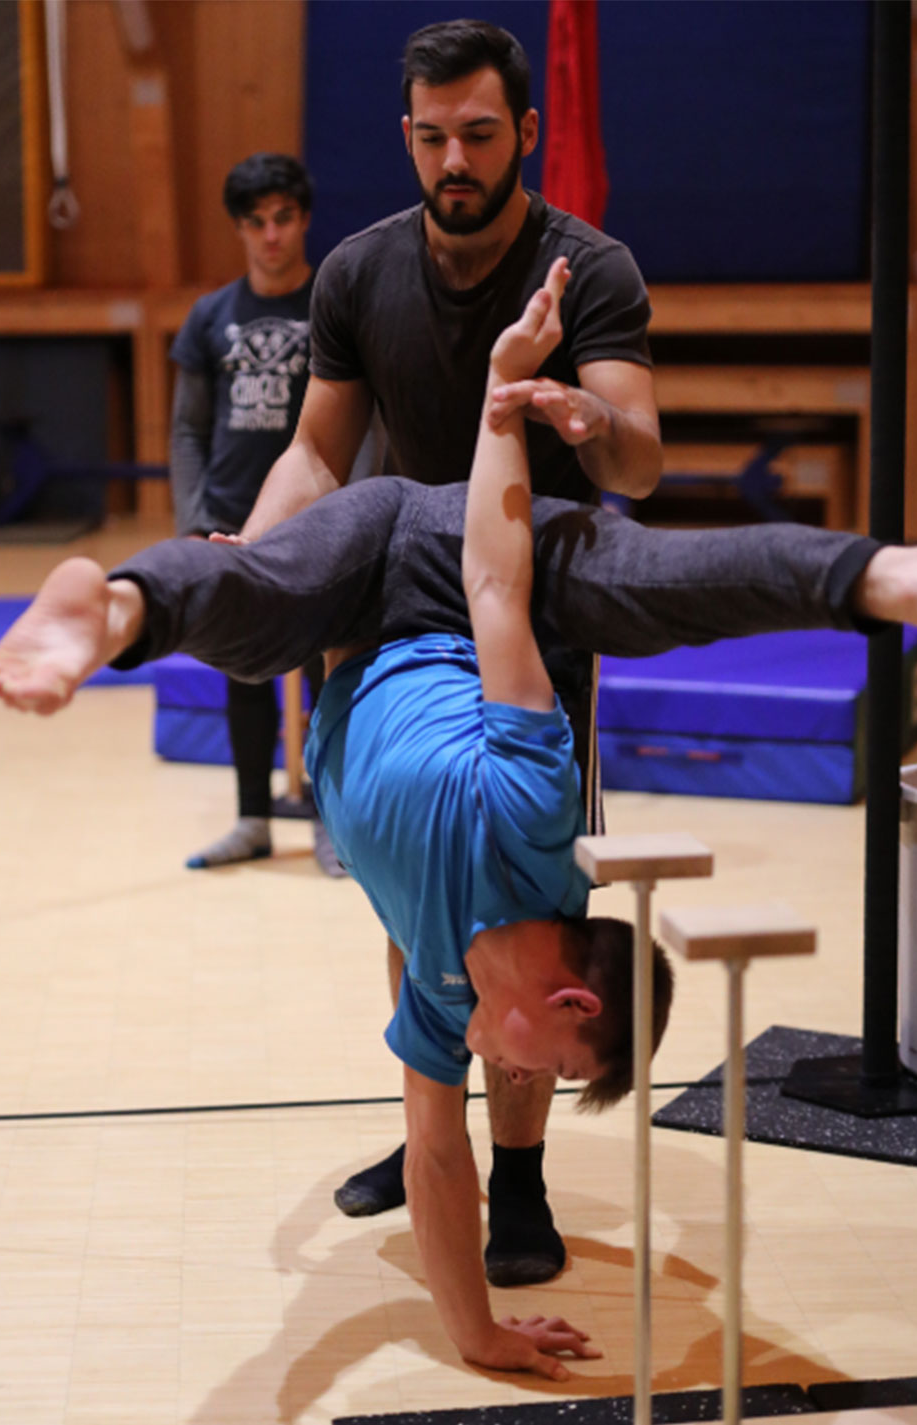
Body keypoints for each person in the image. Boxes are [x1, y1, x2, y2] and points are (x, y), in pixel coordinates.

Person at [0, 265, 917, 1380]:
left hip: (352, 641)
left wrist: (478, 1336)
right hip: (417, 556)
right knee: (644, 580)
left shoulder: (444, 995)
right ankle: (111, 608)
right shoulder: (532, 820)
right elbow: (496, 589)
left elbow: (433, 1155)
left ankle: (134, 607)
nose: (522, 1072)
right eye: (549, 1060)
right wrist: (501, 402)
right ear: (570, 999)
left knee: (262, 624)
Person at [224, 17, 662, 1287]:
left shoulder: (589, 267)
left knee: (532, 915)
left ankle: (517, 1176)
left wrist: (581, 414)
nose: (452, 161)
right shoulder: (357, 271)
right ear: (405, 136)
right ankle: (432, 1126)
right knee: (413, 894)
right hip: (391, 607)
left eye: (476, 135)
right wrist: (250, 565)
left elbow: (640, 460)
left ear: (523, 131)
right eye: (430, 138)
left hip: (529, 615)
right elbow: (316, 455)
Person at [168, 151, 348, 875]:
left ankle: (333, 824)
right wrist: (192, 518)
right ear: (239, 228)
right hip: (228, 522)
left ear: (303, 219)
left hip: (317, 524)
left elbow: (362, 416)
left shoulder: (334, 307)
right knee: (241, 670)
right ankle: (251, 819)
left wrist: (351, 508)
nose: (271, 235)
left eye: (283, 218)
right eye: (256, 222)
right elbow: (187, 429)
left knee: (327, 676)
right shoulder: (209, 317)